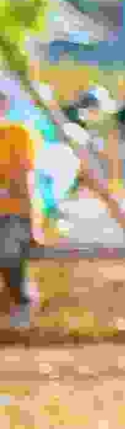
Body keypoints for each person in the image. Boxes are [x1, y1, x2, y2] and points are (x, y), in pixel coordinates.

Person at [0, 100, 39, 330]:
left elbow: (26, 183)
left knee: (8, 245)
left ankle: (21, 298)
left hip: (13, 214)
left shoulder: (17, 134)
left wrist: (33, 224)